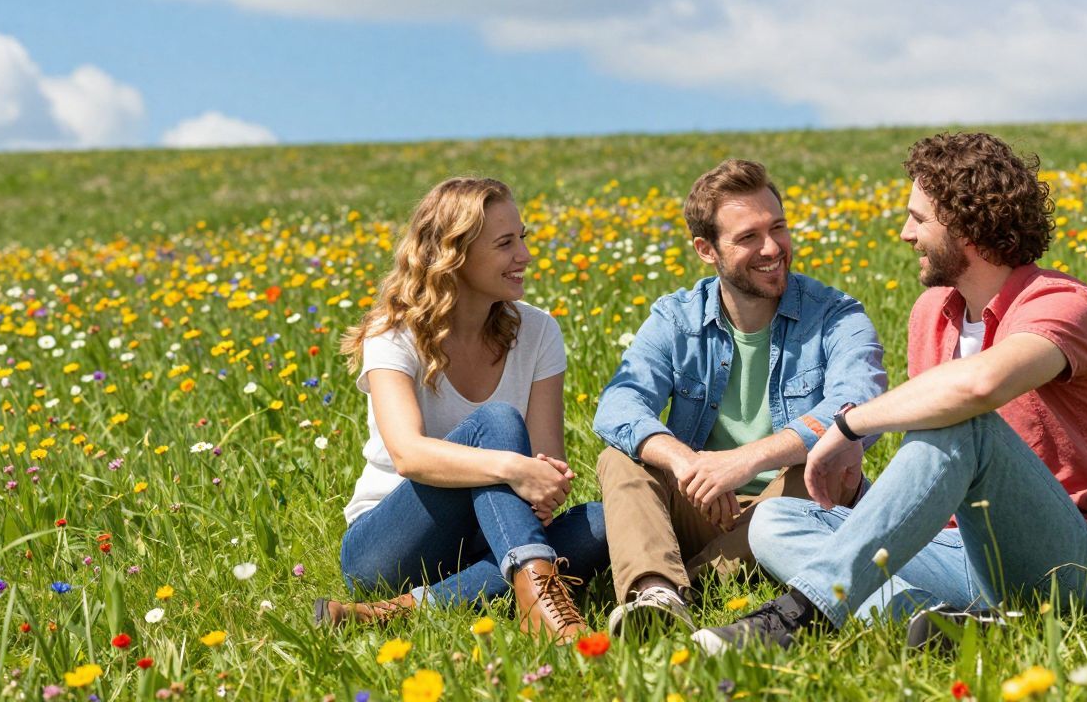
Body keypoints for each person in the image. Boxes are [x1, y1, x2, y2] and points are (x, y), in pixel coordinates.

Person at [694, 133, 1087, 654]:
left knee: (964, 420)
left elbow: (978, 387)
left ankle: (801, 614)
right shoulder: (931, 315)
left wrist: (850, 425)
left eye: (919, 218)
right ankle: (944, 623)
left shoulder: (1062, 303)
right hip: (959, 550)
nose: (906, 233)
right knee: (778, 519)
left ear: (966, 224)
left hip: (1074, 566)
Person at [592, 159, 888, 638]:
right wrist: (688, 465)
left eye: (778, 228)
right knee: (621, 458)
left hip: (799, 507)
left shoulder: (836, 316)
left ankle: (690, 581)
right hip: (707, 503)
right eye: (749, 237)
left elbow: (859, 404)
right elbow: (619, 406)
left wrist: (744, 462)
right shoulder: (676, 318)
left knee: (827, 465)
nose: (772, 248)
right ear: (706, 250)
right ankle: (656, 596)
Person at [313, 177, 607, 641]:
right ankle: (539, 588)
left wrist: (544, 487)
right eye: (505, 243)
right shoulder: (392, 332)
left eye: (523, 239)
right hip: (390, 546)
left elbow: (546, 463)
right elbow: (409, 454)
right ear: (456, 254)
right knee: (496, 422)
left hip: (490, 536)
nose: (525, 256)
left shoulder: (539, 331)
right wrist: (512, 468)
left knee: (604, 524)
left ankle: (398, 611)